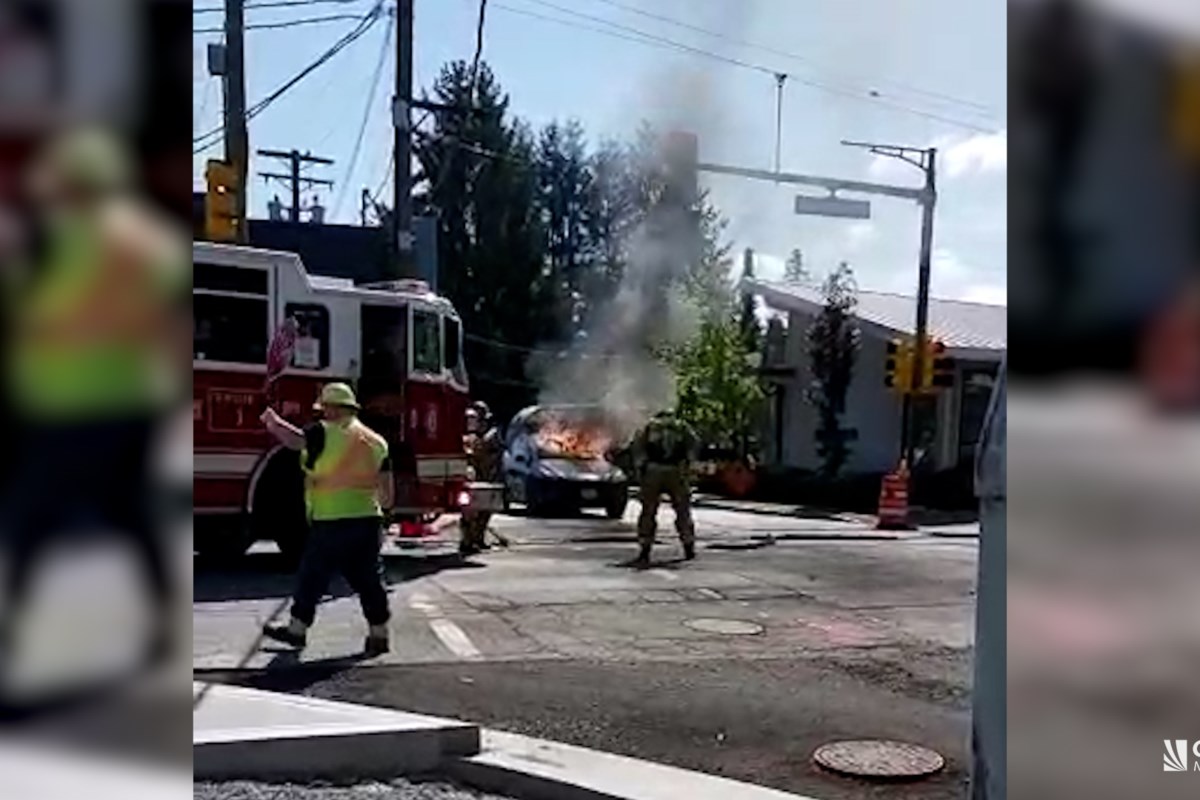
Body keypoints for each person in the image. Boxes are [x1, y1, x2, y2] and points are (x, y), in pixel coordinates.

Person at [0, 127, 187, 689]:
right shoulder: (145, 241)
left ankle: (16, 625)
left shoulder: (57, 239)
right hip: (127, 403)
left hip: (72, 406)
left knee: (31, 514)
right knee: (128, 515)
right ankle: (158, 624)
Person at [260, 382, 394, 655]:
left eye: (323, 409)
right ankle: (379, 634)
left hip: (331, 519)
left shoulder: (322, 432)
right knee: (369, 579)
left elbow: (296, 441)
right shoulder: (376, 441)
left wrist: (273, 423)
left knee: (312, 577)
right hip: (367, 520)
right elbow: (388, 494)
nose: (321, 414)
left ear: (332, 409)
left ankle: (297, 630)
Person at [632, 410, 697, 567]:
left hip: (653, 471)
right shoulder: (681, 427)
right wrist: (688, 466)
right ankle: (688, 545)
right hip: (677, 471)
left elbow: (638, 449)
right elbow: (693, 445)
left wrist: (640, 470)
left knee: (648, 511)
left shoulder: (649, 427)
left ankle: (645, 548)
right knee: (682, 510)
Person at [460, 400, 502, 555]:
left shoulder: (489, 436)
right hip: (472, 478)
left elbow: (494, 456)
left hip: (487, 478)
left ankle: (478, 539)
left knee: (484, 512)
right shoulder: (467, 438)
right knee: (469, 512)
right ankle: (467, 541)